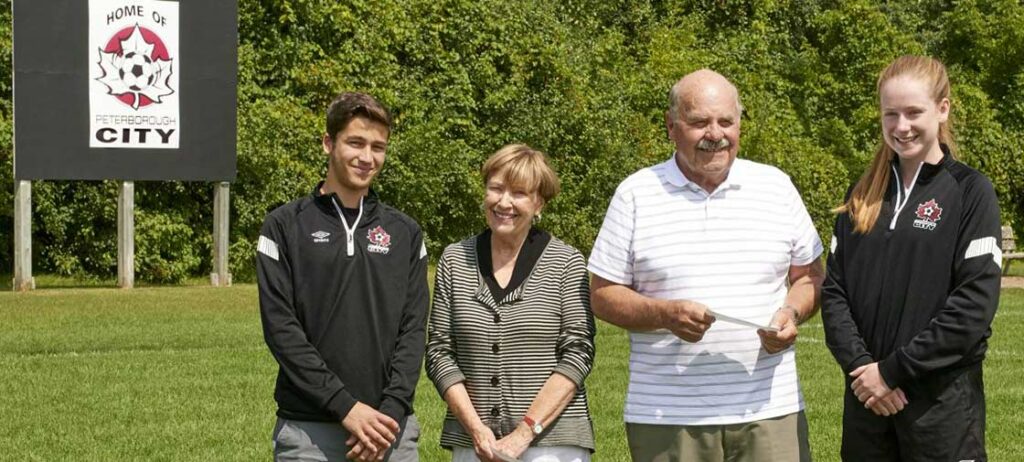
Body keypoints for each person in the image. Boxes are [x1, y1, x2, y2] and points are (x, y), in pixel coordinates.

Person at [588, 69, 824, 461]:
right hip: (667, 416)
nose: (715, 133)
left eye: (726, 121)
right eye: (699, 122)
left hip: (769, 410)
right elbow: (602, 294)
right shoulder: (635, 194)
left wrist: (791, 312)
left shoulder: (776, 187)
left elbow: (810, 276)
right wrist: (664, 314)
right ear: (671, 126)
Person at [821, 55, 1002, 461]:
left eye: (913, 112)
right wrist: (864, 370)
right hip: (867, 404)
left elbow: (972, 309)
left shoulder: (971, 192)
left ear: (942, 109)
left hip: (941, 410)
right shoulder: (862, 194)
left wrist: (891, 372)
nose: (901, 127)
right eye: (891, 114)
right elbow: (834, 293)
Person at [257, 92, 428, 462]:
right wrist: (347, 408)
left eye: (378, 147)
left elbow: (413, 331)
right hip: (309, 433)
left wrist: (390, 413)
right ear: (328, 143)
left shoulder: (405, 233)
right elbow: (281, 330)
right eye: (356, 143)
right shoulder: (283, 227)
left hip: (390, 432)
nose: (367, 158)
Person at [425, 144, 596, 462]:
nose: (504, 202)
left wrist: (523, 434)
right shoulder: (454, 259)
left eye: (518, 193)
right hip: (474, 444)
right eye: (496, 189)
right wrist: (477, 431)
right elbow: (438, 353)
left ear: (538, 202)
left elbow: (578, 354)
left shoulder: (566, 262)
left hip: (552, 444)